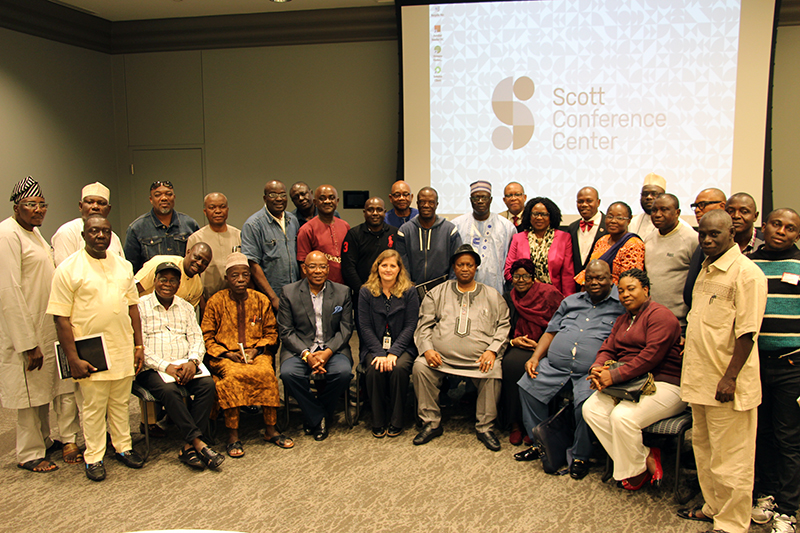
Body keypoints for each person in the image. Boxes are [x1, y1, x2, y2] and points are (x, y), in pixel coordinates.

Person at [678, 210, 767, 533]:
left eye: (715, 234)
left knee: (732, 459)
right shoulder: (705, 268)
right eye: (703, 233)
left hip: (726, 383)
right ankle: (713, 507)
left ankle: (731, 523)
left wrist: (730, 378)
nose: (707, 239)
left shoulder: (747, 274)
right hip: (700, 379)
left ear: (733, 234)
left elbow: (747, 333)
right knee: (704, 450)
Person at [48, 215, 146, 481]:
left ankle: (123, 448)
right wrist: (72, 358)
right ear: (84, 235)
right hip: (91, 352)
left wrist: (138, 344)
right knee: (93, 407)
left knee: (120, 402)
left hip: (123, 345)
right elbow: (61, 319)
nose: (100, 235)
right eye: (94, 231)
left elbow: (133, 308)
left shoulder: (124, 266)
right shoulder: (68, 269)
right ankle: (94, 457)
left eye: (105, 231)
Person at [0, 177, 80, 472]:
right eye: (31, 205)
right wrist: (27, 342)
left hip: (46, 325)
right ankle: (30, 453)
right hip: (27, 329)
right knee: (30, 392)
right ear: (16, 206)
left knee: (47, 388)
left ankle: (45, 440)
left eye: (42, 204)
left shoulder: (34, 234)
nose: (38, 210)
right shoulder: (7, 235)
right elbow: (8, 291)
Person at [517, 260, 625, 479]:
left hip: (591, 372)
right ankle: (541, 444)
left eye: (600, 278)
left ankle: (580, 455)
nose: (594, 282)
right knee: (528, 386)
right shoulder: (570, 301)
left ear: (611, 279)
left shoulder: (621, 306)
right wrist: (535, 357)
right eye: (590, 278)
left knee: (586, 406)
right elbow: (551, 331)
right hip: (555, 366)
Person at [582, 268, 686, 490]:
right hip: (628, 384)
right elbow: (608, 348)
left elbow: (650, 357)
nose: (625, 295)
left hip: (664, 383)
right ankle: (644, 458)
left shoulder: (661, 316)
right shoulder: (622, 319)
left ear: (646, 290)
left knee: (622, 417)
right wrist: (598, 369)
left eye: (631, 289)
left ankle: (635, 473)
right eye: (621, 291)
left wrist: (614, 376)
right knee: (591, 409)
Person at [411, 244, 510, 451]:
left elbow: (503, 325)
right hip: (441, 358)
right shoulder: (437, 293)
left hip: (479, 360)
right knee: (420, 366)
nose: (465, 269)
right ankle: (431, 422)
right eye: (460, 265)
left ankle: (485, 427)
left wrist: (492, 350)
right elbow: (424, 325)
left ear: (476, 268)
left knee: (493, 370)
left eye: (469, 265)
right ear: (454, 267)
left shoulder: (492, 295)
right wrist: (428, 349)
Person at [201, 253, 292, 457]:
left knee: (266, 374)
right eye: (235, 276)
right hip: (225, 357)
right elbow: (206, 336)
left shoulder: (261, 300)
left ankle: (271, 429)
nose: (240, 280)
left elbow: (271, 332)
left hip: (255, 353)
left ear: (250, 276)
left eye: (244, 275)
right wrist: (227, 354)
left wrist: (257, 350)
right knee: (233, 377)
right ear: (227, 278)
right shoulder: (216, 301)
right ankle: (233, 435)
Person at [136, 261, 224, 470]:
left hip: (185, 365)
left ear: (178, 285)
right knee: (170, 390)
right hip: (154, 369)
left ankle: (188, 446)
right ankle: (197, 442)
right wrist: (166, 366)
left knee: (207, 386)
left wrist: (193, 362)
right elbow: (139, 345)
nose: (167, 284)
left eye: (173, 280)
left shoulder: (185, 307)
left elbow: (196, 339)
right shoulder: (140, 306)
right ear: (155, 281)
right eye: (163, 279)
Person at [749, 208, 800, 533]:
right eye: (776, 224)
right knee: (761, 433)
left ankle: (789, 508)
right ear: (763, 226)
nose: (781, 231)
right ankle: (766, 494)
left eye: (790, 228)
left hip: (792, 365)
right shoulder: (749, 264)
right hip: (754, 365)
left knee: (789, 439)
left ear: (797, 235)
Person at [278, 251, 353, 441]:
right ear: (304, 268)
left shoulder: (342, 292)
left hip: (332, 348)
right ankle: (319, 416)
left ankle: (313, 414)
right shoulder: (289, 292)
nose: (317, 271)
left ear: (328, 269)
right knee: (288, 374)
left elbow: (345, 328)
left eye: (322, 266)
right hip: (299, 349)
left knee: (343, 373)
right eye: (312, 266)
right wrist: (307, 355)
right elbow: (286, 331)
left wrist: (327, 353)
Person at [357, 249, 419, 438]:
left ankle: (397, 419)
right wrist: (379, 353)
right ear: (377, 267)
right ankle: (377, 420)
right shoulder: (366, 291)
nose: (388, 269)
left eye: (393, 265)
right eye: (384, 265)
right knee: (375, 368)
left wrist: (394, 352)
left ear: (400, 269)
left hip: (403, 346)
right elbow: (364, 326)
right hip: (373, 345)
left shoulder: (410, 291)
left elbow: (411, 326)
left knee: (399, 368)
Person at [501, 258, 563, 446]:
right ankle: (515, 424)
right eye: (516, 276)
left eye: (525, 276)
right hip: (519, 344)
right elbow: (502, 327)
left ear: (533, 277)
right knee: (510, 366)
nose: (520, 280)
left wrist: (543, 345)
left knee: (540, 370)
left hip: (546, 344)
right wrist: (513, 341)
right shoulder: (508, 297)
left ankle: (537, 426)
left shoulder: (549, 293)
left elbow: (561, 322)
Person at [241, 180, 300, 309]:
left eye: (283, 195)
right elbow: (253, 265)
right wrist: (273, 297)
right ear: (265, 198)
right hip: (269, 298)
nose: (279, 199)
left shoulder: (293, 221)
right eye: (273, 195)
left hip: (295, 295)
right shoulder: (253, 225)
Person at [644, 194, 698, 331]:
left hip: (679, 322)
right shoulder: (648, 239)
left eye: (664, 209)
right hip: (651, 319)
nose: (657, 214)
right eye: (654, 210)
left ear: (677, 213)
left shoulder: (692, 239)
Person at [452, 181, 516, 294]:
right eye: (476, 197)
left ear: (490, 200)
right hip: (462, 288)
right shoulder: (457, 225)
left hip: (495, 288)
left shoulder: (506, 227)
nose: (480, 201)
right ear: (470, 200)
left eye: (484, 197)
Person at [124, 180, 200, 273]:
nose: (164, 198)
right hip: (151, 285)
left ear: (174, 197)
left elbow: (198, 261)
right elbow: (130, 268)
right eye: (157, 195)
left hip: (184, 284)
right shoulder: (136, 228)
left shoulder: (190, 225)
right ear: (151, 200)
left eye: (168, 194)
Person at [505, 197, 575, 296]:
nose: (539, 217)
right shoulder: (518, 238)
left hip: (554, 296)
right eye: (535, 214)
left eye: (544, 214)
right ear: (529, 216)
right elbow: (508, 270)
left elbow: (567, 275)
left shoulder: (564, 238)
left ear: (552, 216)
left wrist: (568, 301)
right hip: (524, 296)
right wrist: (528, 282)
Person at [341, 197, 398, 312]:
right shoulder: (354, 234)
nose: (375, 213)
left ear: (385, 212)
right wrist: (363, 291)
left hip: (391, 295)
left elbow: (401, 264)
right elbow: (348, 267)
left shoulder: (394, 233)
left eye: (379, 210)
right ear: (364, 213)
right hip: (363, 297)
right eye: (370, 210)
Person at [396, 187, 462, 284]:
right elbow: (402, 264)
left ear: (436, 205)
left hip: (442, 290)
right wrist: (409, 289)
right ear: (417, 204)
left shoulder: (450, 230)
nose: (426, 205)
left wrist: (449, 287)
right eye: (422, 202)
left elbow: (457, 262)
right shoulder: (405, 231)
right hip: (413, 290)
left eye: (431, 202)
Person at [51, 181, 124, 266]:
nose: (95, 207)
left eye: (101, 203)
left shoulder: (113, 237)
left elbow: (122, 268)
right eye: (90, 202)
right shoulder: (68, 232)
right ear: (81, 206)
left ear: (108, 209)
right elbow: (64, 272)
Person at [574, 201, 645, 286]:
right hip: (593, 292)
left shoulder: (634, 245)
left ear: (629, 220)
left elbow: (630, 281)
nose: (613, 221)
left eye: (619, 218)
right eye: (610, 217)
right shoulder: (602, 240)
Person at [187, 192, 242, 301]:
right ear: (205, 212)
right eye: (212, 207)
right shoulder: (195, 239)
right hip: (207, 298)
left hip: (235, 298)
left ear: (227, 210)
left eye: (222, 207)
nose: (218, 211)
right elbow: (191, 275)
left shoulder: (239, 235)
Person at [296, 184, 351, 284]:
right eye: (322, 198)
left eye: (331, 198)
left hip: (344, 289)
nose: (327, 201)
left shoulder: (345, 226)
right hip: (318, 289)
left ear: (337, 201)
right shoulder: (306, 230)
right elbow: (303, 266)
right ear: (315, 203)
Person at [683, 188, 727, 309]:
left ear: (722, 206)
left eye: (702, 205)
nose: (697, 210)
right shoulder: (700, 244)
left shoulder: (729, 245)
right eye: (695, 206)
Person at [135, 243, 213, 308]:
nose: (199, 263)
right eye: (196, 257)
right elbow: (132, 291)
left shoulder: (198, 286)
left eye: (205, 263)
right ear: (188, 252)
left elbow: (188, 313)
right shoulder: (160, 263)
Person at [567, 186, 606, 289]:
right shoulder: (572, 228)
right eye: (580, 201)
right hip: (577, 288)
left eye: (589, 201)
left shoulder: (609, 226)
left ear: (598, 202)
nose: (584, 205)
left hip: (602, 287)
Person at [628, 172, 666, 240]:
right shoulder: (633, 222)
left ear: (663, 196)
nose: (649, 197)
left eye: (654, 194)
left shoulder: (672, 224)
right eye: (645, 194)